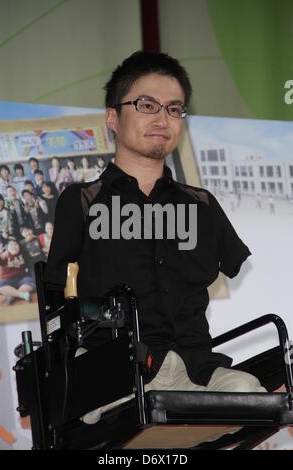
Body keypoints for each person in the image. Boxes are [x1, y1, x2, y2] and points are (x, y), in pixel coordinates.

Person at [44, 51, 266, 428]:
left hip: (195, 371)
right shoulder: (81, 201)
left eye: (175, 108)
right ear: (112, 117)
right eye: (147, 105)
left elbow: (231, 264)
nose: (163, 119)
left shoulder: (202, 205)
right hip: (115, 376)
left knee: (252, 393)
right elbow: (55, 301)